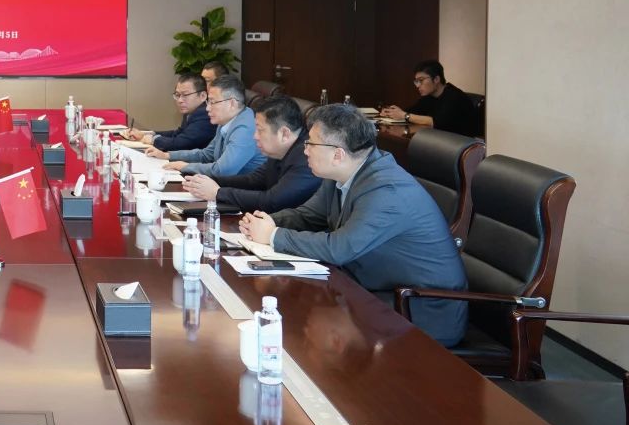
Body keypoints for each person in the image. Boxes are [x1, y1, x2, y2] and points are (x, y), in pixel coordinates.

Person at [239, 104, 468, 346]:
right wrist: (264, 223)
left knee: (298, 316)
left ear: (338, 154)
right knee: (294, 305)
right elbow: (308, 215)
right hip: (373, 289)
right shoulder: (343, 172)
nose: (304, 151)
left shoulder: (387, 191)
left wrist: (273, 236)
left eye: (310, 144)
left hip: (420, 308)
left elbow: (340, 248)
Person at [181, 94, 321, 213]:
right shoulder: (280, 150)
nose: (255, 136)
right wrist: (208, 180)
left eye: (260, 130)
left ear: (284, 133)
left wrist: (218, 193)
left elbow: (272, 201)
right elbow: (253, 180)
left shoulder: (306, 158)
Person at [153, 74, 265, 177]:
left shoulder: (245, 129)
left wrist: (185, 166)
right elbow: (206, 154)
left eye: (213, 102)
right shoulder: (226, 120)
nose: (207, 108)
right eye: (208, 102)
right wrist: (168, 155)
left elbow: (223, 170)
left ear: (231, 103)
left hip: (244, 189)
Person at [380, 59, 478, 137]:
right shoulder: (429, 96)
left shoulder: (454, 96)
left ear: (436, 79)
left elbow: (437, 122)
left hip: (462, 146)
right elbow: (411, 111)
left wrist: (405, 115)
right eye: (416, 81)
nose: (418, 85)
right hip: (440, 139)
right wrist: (391, 113)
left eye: (421, 80)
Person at [124, 73, 215, 151]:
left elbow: (181, 143)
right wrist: (146, 134)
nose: (180, 100)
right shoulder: (191, 110)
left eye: (185, 95)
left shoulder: (205, 114)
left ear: (203, 96)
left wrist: (151, 139)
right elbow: (177, 134)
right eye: (177, 95)